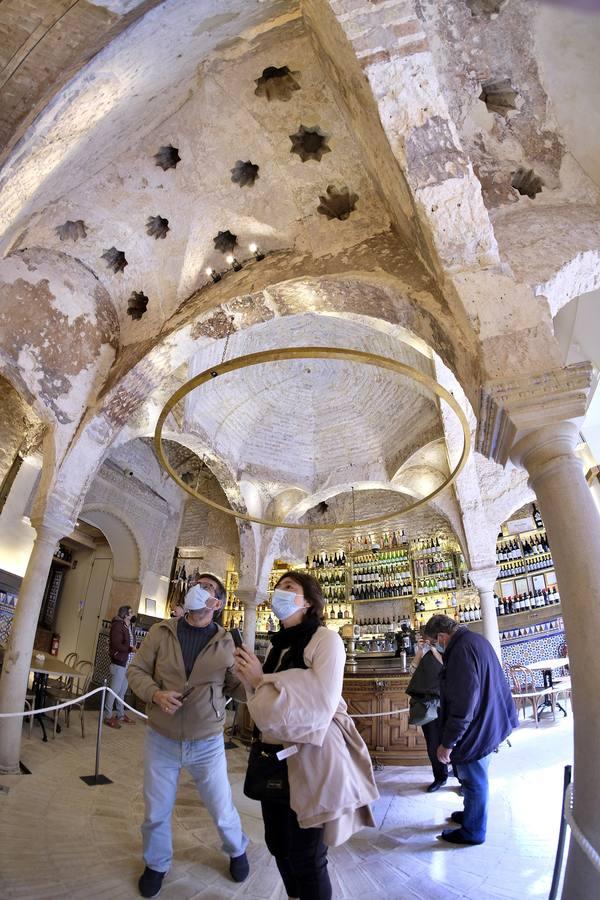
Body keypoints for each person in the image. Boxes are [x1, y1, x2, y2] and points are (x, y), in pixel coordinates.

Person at [233, 571, 378, 900]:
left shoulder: (326, 640)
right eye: (278, 587)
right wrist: (251, 679)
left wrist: (260, 682)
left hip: (311, 759)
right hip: (273, 757)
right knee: (278, 845)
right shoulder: (278, 646)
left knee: (307, 856)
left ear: (309, 601)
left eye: (289, 588)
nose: (279, 592)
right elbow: (263, 708)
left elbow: (319, 705)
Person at [127, 573, 249, 899]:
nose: (199, 589)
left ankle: (237, 850)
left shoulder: (227, 642)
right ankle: (156, 864)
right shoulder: (161, 631)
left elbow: (239, 691)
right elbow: (135, 670)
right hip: (161, 737)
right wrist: (154, 694)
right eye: (197, 584)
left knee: (221, 808)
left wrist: (252, 676)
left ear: (217, 603)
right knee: (155, 810)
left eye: (207, 588)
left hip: (207, 741)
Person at [422, 614, 518, 845]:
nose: (433, 646)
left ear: (442, 637)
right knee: (474, 777)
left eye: (433, 642)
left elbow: (462, 705)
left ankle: (473, 831)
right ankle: (471, 815)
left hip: (478, 726)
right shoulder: (474, 640)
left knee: (474, 780)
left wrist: (447, 743)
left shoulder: (460, 652)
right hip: (490, 718)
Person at [406, 636, 447, 792]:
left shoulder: (445, 648)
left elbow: (446, 665)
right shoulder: (423, 651)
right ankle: (440, 777)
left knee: (452, 743)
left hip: (445, 703)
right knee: (433, 745)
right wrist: (421, 650)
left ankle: (461, 779)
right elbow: (412, 671)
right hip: (427, 706)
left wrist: (434, 648)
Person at [104, 605, 136, 728]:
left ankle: (120, 714)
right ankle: (107, 716)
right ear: (125, 615)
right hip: (119, 663)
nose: (133, 614)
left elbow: (131, 642)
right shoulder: (117, 625)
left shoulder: (130, 626)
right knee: (114, 691)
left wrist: (134, 647)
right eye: (131, 612)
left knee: (122, 691)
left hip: (128, 663)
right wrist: (130, 648)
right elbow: (117, 644)